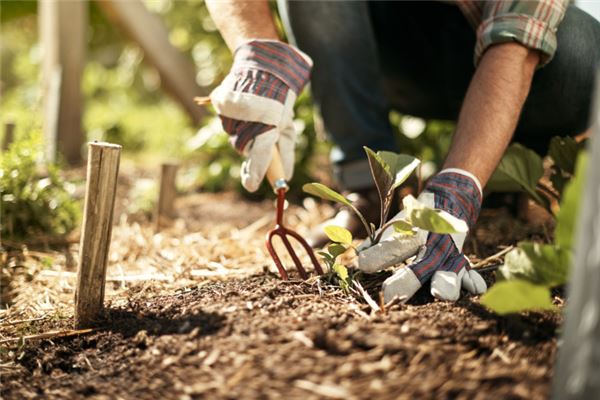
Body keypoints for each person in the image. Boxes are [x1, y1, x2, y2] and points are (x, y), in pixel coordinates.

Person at [204, 0, 600, 303]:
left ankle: (504, 170)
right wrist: (254, 50)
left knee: (583, 52)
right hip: (391, 50)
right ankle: (370, 186)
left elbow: (518, 43)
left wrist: (458, 187)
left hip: (513, 52)